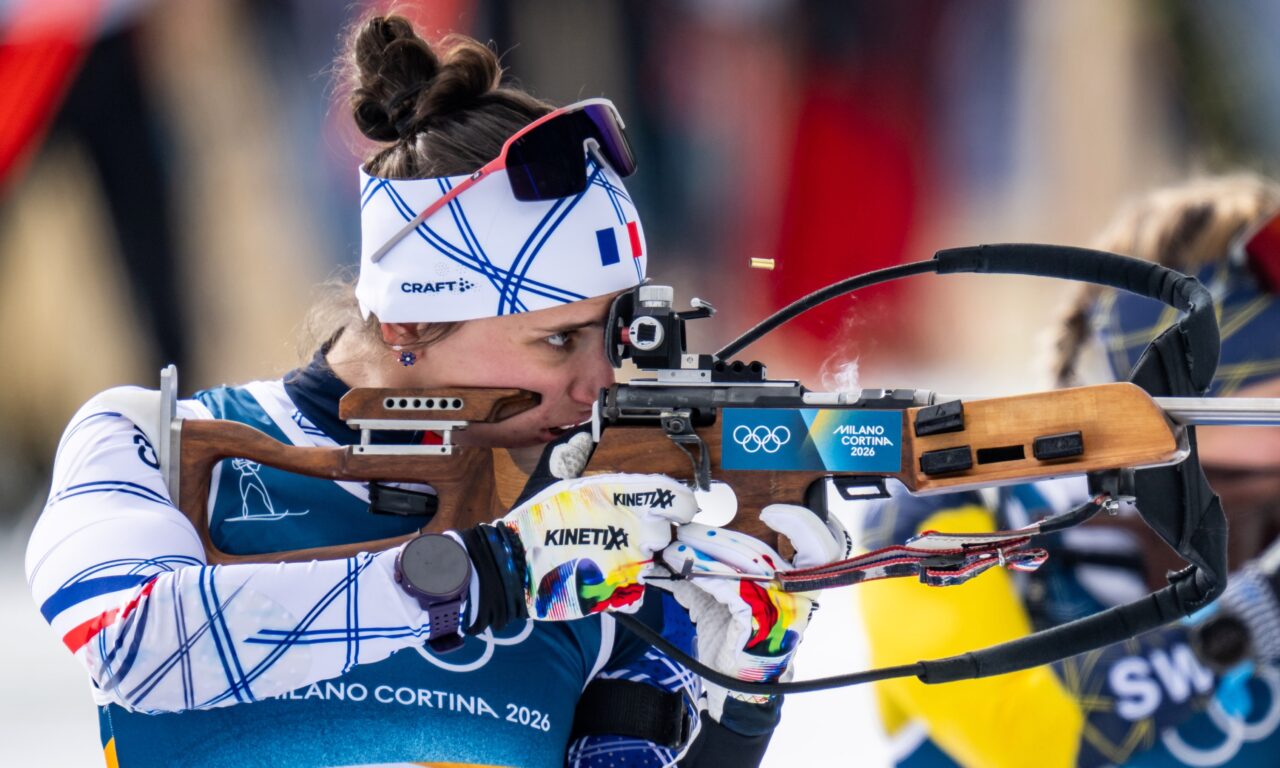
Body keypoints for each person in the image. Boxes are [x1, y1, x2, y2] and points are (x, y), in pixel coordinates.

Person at [24, 16, 845, 768]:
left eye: (614, 334)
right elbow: (138, 644)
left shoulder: (597, 533)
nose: (599, 381)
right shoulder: (147, 438)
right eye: (557, 338)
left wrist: (741, 692)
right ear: (406, 326)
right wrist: (491, 572)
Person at [857, 173, 1280, 767]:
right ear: (1169, 401)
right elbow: (1029, 738)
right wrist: (1250, 618)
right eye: (1274, 398)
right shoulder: (942, 518)